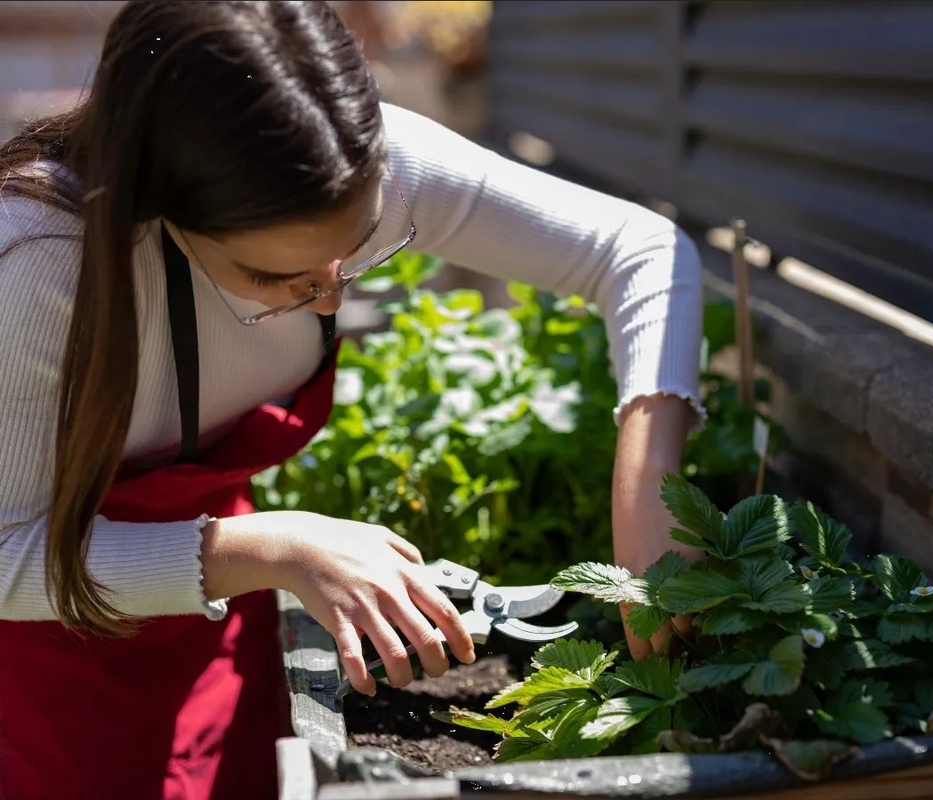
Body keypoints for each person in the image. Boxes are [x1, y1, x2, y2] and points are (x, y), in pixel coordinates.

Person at [0, 2, 703, 799]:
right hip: (51, 647)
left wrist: (649, 486)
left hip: (224, 615)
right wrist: (271, 548)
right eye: (277, 280)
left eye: (361, 244)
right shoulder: (37, 268)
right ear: (158, 205)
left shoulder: (357, 164)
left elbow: (639, 252)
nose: (330, 300)